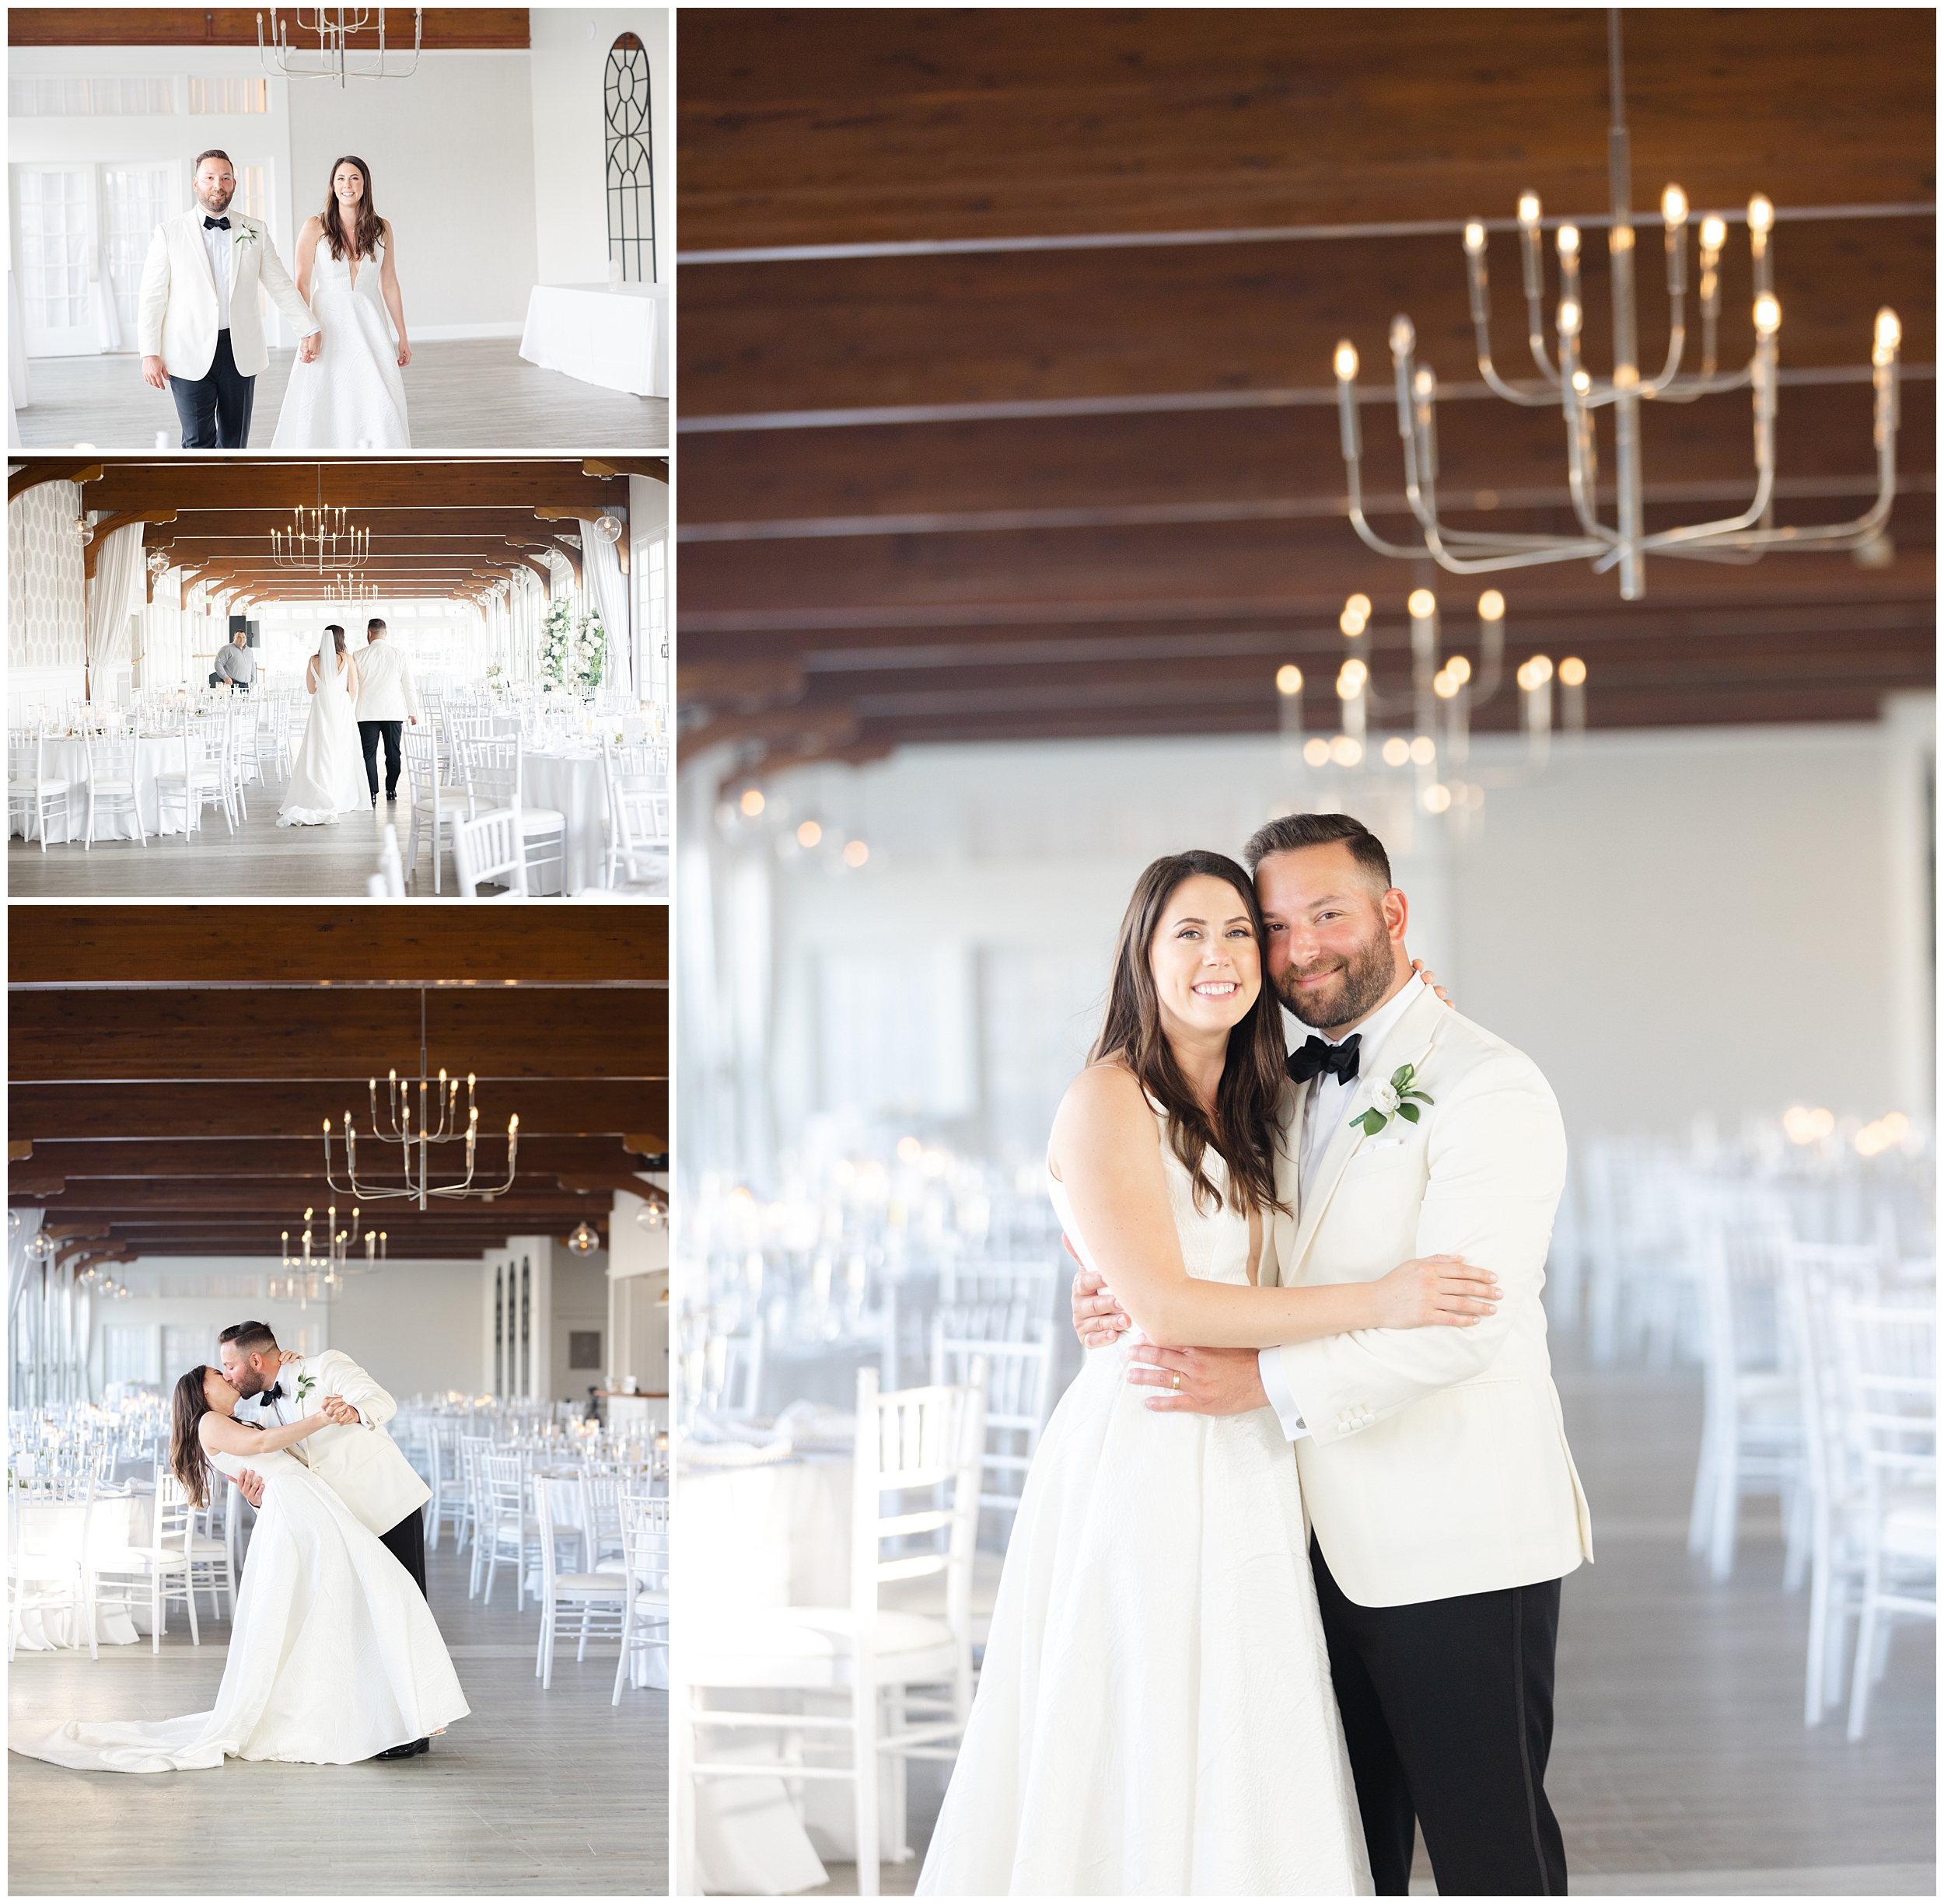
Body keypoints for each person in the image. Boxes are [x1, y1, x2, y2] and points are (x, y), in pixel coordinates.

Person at [916, 851, 1504, 1896]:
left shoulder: (1257, 1096)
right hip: (1149, 1442)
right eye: (1188, 933)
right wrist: (1385, 1300)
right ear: (1143, 955)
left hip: (1250, 1443)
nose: (1219, 955)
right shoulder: (1107, 1097)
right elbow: (1168, 1307)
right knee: (1141, 1722)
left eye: (1239, 932)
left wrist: (1417, 1022)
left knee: (1250, 1719)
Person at [1072, 812, 1594, 1897]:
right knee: (1339, 1856)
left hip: (1455, 1536)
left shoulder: (1488, 1083)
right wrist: (1113, 1289)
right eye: (1276, 925)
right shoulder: (1277, 1079)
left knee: (1490, 1850)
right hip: (1289, 1540)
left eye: (1328, 914)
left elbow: (1468, 1322)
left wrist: (1259, 1380)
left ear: (1392, 915)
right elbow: (1212, 1245)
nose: (1300, 945)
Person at [6, 1362, 466, 1773]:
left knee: (364, 1601)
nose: (228, 1378)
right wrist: (323, 1416)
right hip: (300, 1514)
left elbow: (268, 1452)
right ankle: (380, 1717)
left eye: (227, 1369)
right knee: (356, 1602)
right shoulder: (210, 1423)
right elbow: (264, 1443)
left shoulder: (232, 1418)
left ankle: (397, 1716)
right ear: (202, 1395)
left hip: (309, 1508)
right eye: (218, 1376)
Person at [138, 149, 321, 449]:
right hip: (187, 351)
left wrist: (309, 328)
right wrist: (149, 351)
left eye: (224, 178)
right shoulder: (169, 233)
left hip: (240, 351)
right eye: (209, 178)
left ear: (234, 184)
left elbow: (281, 285)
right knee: (198, 442)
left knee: (235, 442)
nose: (217, 185)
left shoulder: (255, 230)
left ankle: (230, 496)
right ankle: (200, 496)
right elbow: (152, 297)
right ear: (196, 183)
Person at [271, 155, 411, 448]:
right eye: (341, 179)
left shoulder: (382, 227)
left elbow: (389, 282)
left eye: (355, 178)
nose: (348, 185)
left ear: (365, 184)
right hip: (327, 322)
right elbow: (303, 282)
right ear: (333, 186)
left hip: (370, 322)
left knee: (375, 393)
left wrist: (402, 335)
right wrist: (304, 331)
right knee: (329, 393)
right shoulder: (315, 226)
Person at [278, 624, 367, 826]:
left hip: (320, 707)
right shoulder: (347, 659)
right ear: (340, 639)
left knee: (319, 748)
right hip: (341, 707)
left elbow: (311, 689)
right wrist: (343, 704)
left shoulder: (313, 660)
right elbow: (353, 689)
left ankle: (320, 789)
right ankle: (341, 792)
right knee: (343, 748)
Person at [352, 617, 423, 805]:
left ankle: (372, 792)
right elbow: (409, 686)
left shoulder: (358, 655)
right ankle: (391, 789)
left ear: (369, 634)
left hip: (366, 712)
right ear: (386, 634)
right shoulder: (400, 655)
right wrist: (413, 711)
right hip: (393, 712)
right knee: (393, 752)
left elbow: (351, 686)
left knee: (368, 754)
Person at [212, 628, 255, 692]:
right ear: (234, 638)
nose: (242, 639)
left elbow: (252, 667)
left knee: (247, 702)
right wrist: (225, 677)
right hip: (232, 685)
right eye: (239, 637)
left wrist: (253, 682)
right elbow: (217, 664)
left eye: (243, 637)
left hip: (247, 686)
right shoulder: (227, 649)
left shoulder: (249, 650)